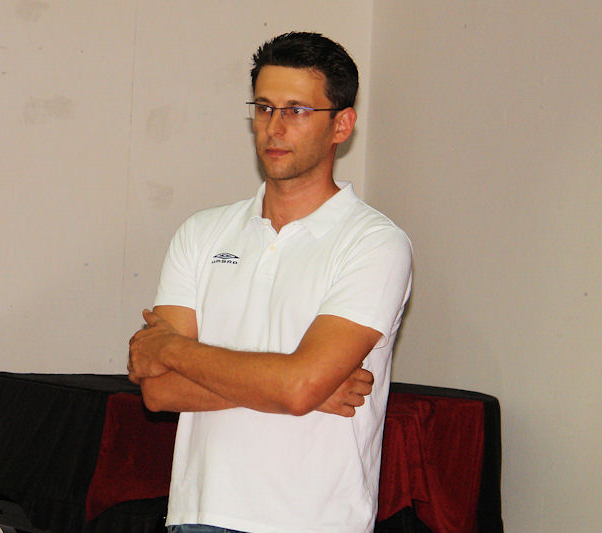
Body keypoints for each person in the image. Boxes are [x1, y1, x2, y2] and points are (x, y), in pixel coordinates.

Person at [128, 32, 412, 533]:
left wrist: (171, 348)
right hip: (199, 515)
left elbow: (299, 387)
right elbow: (159, 390)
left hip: (313, 520)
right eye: (263, 108)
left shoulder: (374, 242)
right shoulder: (201, 232)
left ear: (341, 124)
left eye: (296, 111)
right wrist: (289, 386)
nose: (274, 128)